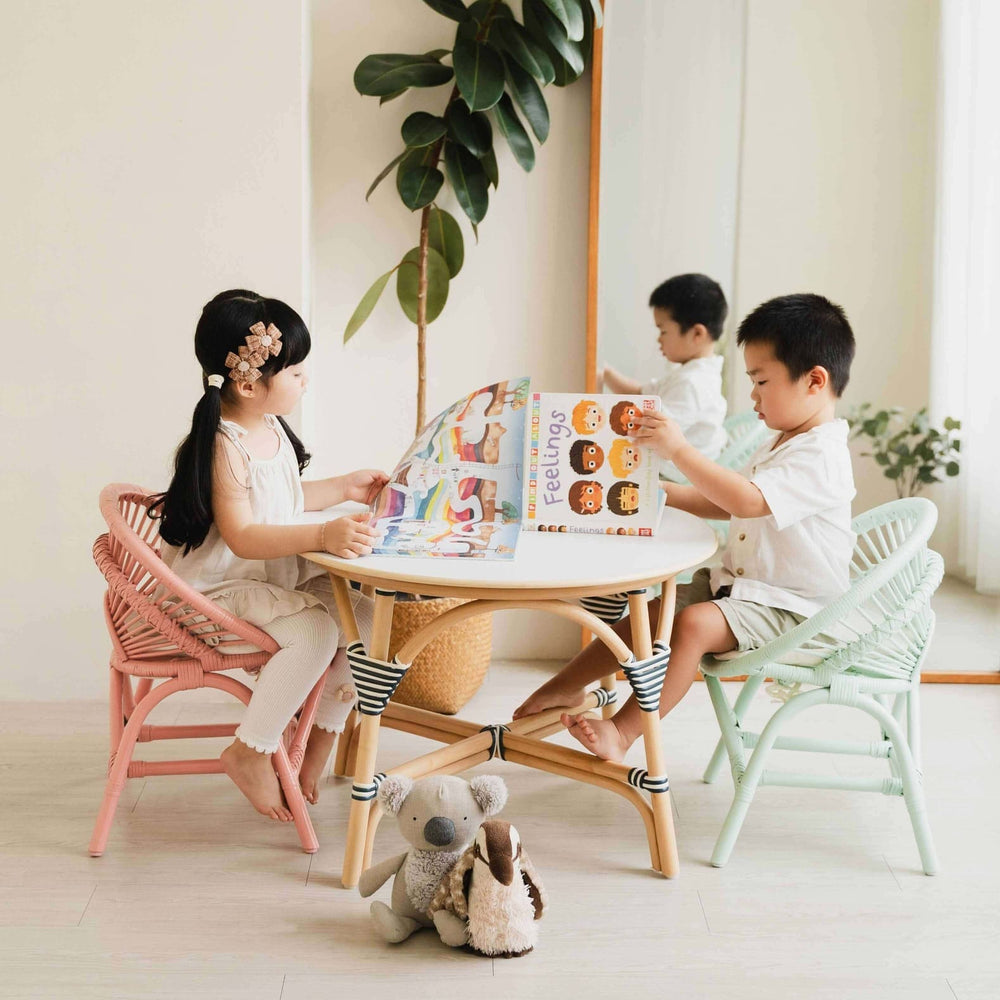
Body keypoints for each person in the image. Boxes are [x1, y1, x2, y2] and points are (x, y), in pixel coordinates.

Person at [515, 293, 857, 762]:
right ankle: (565, 686)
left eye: (761, 381)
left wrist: (678, 451)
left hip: (793, 606)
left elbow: (748, 499)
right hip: (745, 588)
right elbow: (728, 502)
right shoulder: (784, 441)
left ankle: (624, 731)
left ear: (814, 380)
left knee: (691, 624)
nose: (753, 396)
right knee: (649, 615)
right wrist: (654, 493)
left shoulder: (822, 455)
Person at [150, 289, 388, 820]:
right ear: (249, 382)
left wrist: (345, 486)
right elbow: (243, 536)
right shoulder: (224, 445)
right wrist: (322, 537)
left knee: (368, 622)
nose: (305, 380)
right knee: (318, 632)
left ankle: (320, 737)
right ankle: (250, 749)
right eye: (295, 371)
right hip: (218, 592)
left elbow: (284, 499)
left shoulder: (271, 428)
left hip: (269, 580)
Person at [599, 273, 728, 479]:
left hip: (676, 477)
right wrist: (606, 372)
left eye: (663, 331)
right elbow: (640, 393)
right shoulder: (690, 373)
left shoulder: (693, 383)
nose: (659, 340)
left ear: (697, 334)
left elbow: (649, 429)